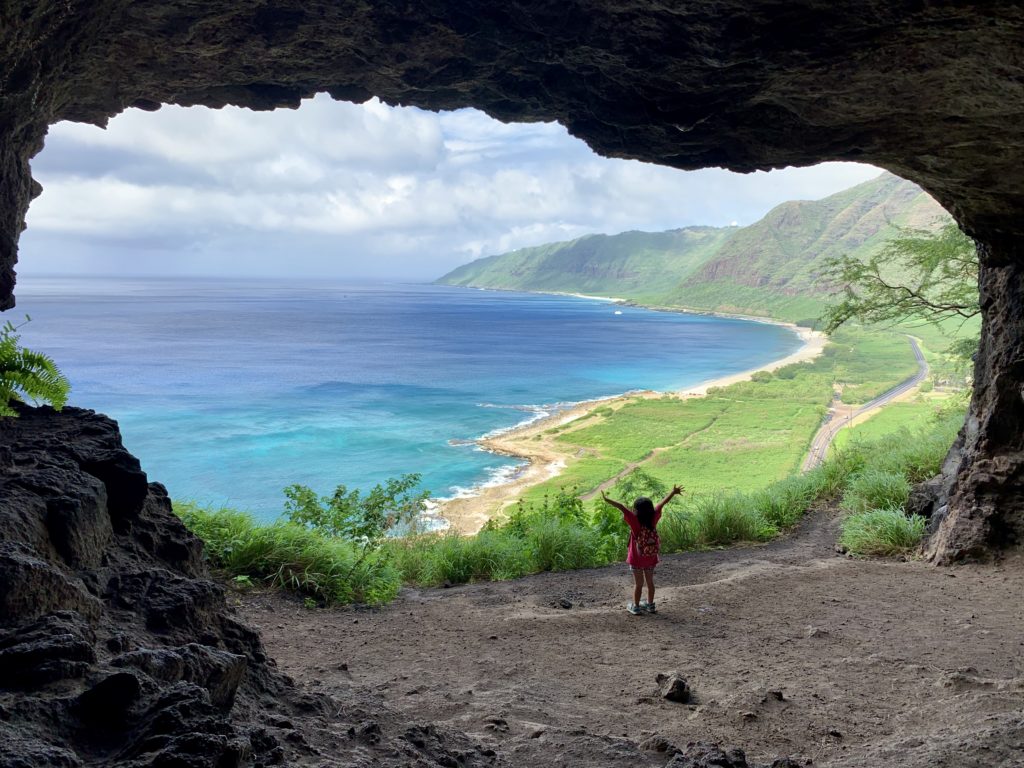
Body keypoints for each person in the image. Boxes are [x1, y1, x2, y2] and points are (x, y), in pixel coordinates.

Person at [601, 484, 683, 615]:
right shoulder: (653, 518)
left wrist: (607, 499)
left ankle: (636, 607)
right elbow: (661, 504)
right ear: (650, 509)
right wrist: (673, 492)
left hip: (637, 558)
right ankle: (651, 605)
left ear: (636, 510)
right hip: (650, 557)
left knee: (638, 584)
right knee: (650, 582)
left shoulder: (634, 520)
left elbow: (621, 507)